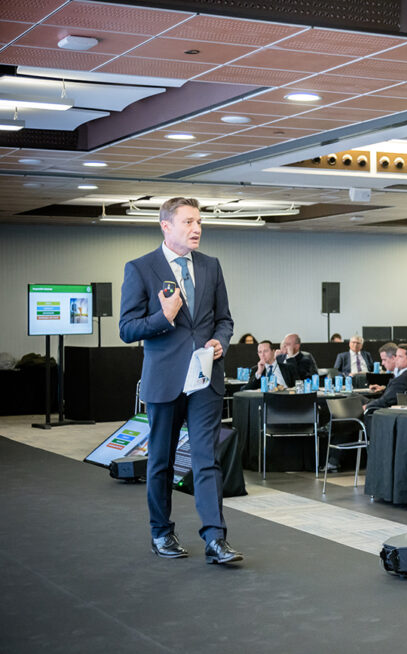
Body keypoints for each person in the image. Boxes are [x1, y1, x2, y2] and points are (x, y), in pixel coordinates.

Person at [118, 196, 241, 564]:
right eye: (188, 222)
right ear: (166, 226)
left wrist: (221, 341)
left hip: (205, 380)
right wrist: (164, 316)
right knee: (161, 461)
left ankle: (215, 540)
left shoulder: (211, 266)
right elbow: (127, 329)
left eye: (199, 222)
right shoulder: (141, 268)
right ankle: (161, 533)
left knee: (207, 460)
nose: (197, 228)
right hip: (164, 381)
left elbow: (225, 319)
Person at [365, 344, 407, 411]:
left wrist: (366, 407)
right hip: (401, 410)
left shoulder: (404, 377)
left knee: (359, 401)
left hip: (391, 412)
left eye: (400, 356)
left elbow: (386, 401)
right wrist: (384, 388)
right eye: (396, 356)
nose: (396, 359)